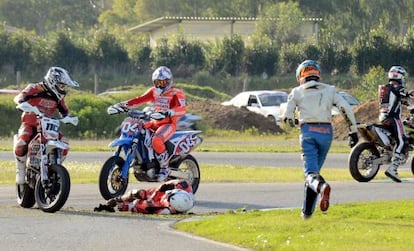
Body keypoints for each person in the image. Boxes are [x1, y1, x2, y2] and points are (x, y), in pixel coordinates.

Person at [281, 60, 359, 219]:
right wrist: (353, 131)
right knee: (314, 174)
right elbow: (345, 108)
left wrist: (295, 122)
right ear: (317, 74)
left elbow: (286, 118)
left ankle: (323, 187)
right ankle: (307, 213)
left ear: (300, 77)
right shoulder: (330, 90)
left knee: (310, 174)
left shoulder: (296, 92)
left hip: (308, 132)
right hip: (326, 132)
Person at [112, 66, 186, 181]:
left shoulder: (176, 93)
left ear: (169, 81)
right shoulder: (153, 91)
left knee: (156, 140)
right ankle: (142, 160)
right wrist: (121, 105)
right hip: (154, 122)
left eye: (163, 82)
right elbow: (139, 100)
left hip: (168, 124)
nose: (160, 85)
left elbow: (182, 109)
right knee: (136, 129)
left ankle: (164, 166)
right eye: (157, 82)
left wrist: (169, 112)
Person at [13, 66, 79, 185]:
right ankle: (21, 170)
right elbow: (19, 98)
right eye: (61, 85)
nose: (62, 88)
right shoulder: (35, 88)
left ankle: (55, 169)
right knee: (21, 144)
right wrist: (24, 105)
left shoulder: (58, 97)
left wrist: (69, 118)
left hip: (49, 127)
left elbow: (65, 111)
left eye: (63, 86)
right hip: (30, 124)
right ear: (53, 81)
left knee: (64, 143)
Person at [378, 66, 411, 182]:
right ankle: (393, 168)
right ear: (400, 76)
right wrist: (410, 94)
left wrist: (409, 105)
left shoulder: (386, 88)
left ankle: (388, 153)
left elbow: (402, 100)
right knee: (402, 140)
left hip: (383, 117)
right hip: (393, 118)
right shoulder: (398, 87)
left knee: (395, 139)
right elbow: (405, 94)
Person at [94, 179, 195, 214]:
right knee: (139, 194)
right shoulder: (184, 188)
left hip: (154, 201)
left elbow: (147, 206)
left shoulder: (163, 209)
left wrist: (128, 206)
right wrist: (163, 189)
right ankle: (118, 199)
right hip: (157, 193)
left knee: (136, 203)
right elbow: (166, 185)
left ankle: (119, 203)